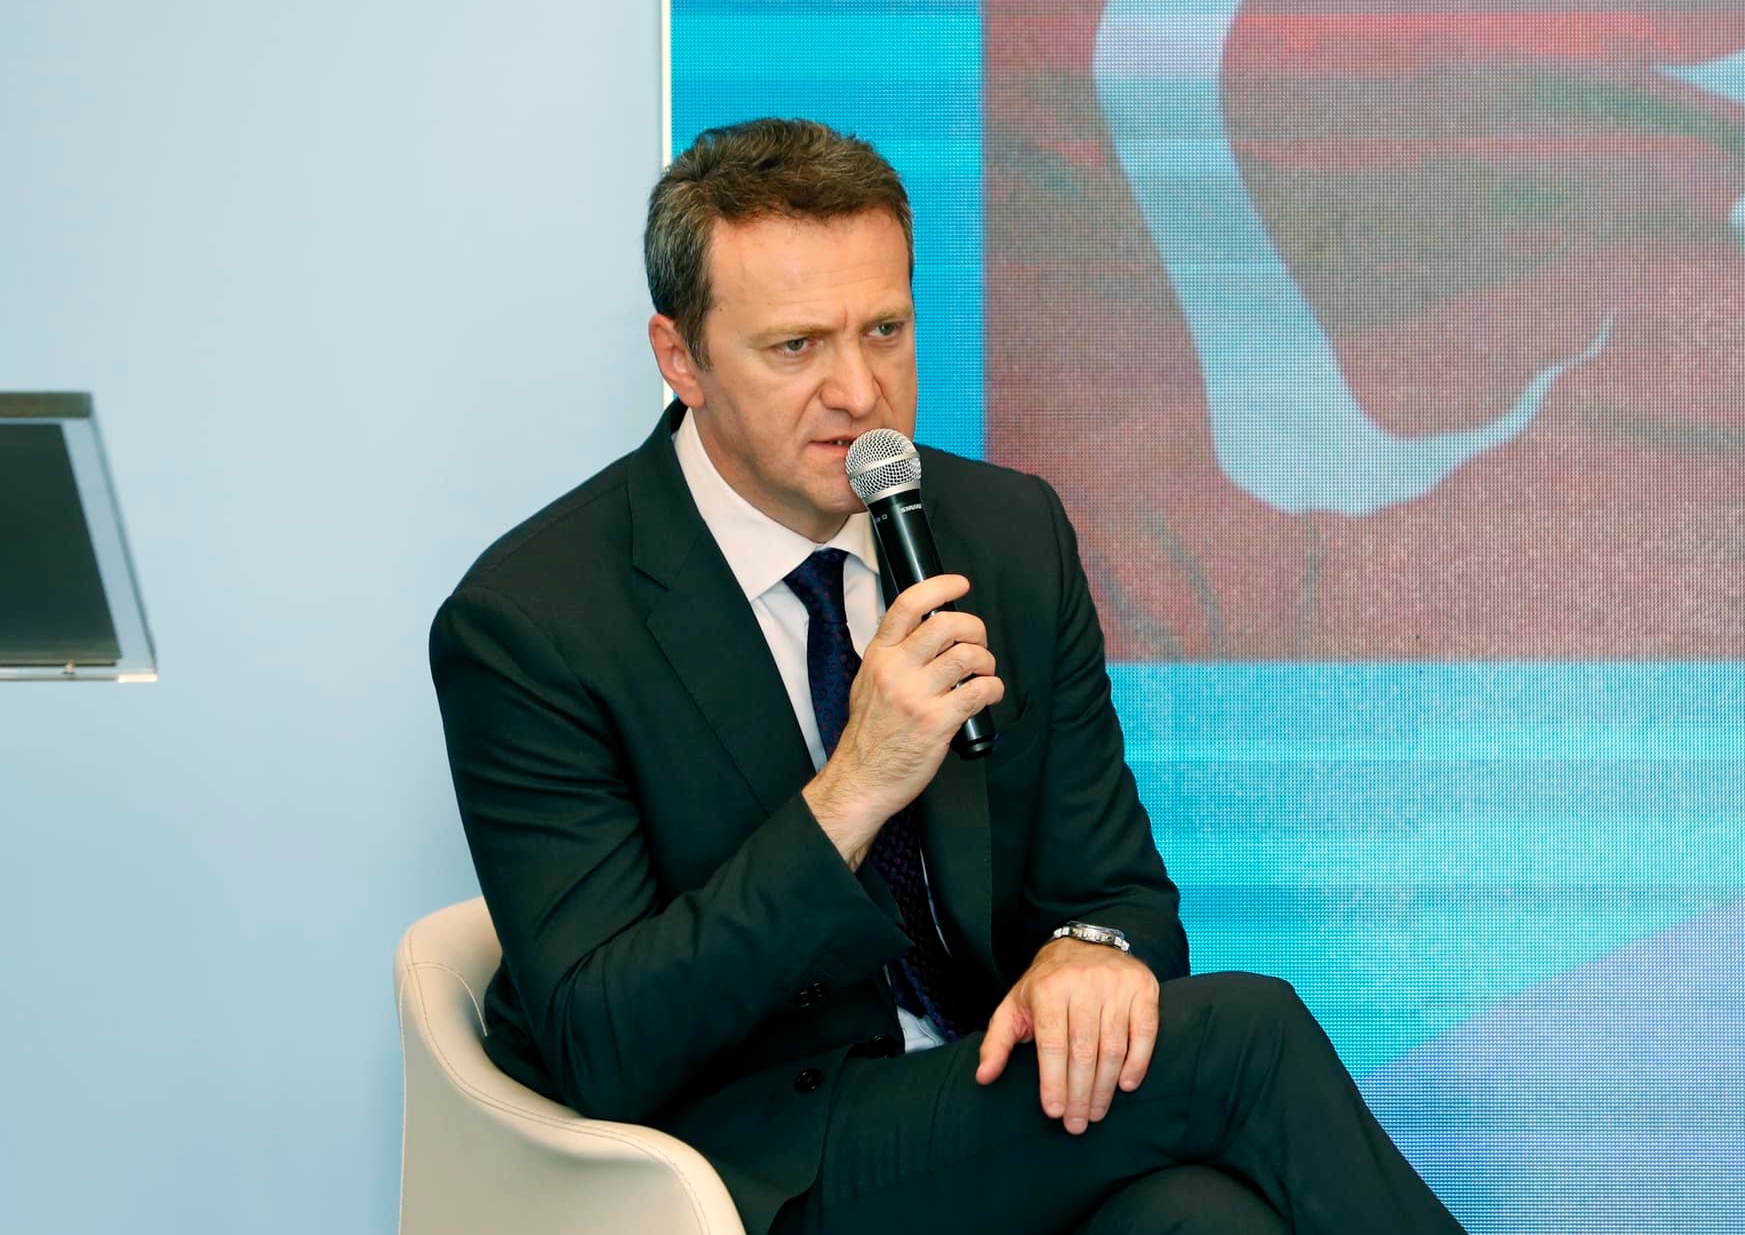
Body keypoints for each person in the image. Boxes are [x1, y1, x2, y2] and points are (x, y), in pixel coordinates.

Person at [430, 118, 1466, 1234]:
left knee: (1205, 1221)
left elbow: (1118, 894)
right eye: (796, 347)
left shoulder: (1003, 534)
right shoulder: (535, 621)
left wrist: (1087, 955)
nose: (858, 391)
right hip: (745, 1156)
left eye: (885, 329)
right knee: (1243, 1039)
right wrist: (854, 788)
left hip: (978, 1102)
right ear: (681, 358)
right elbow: (600, 1042)